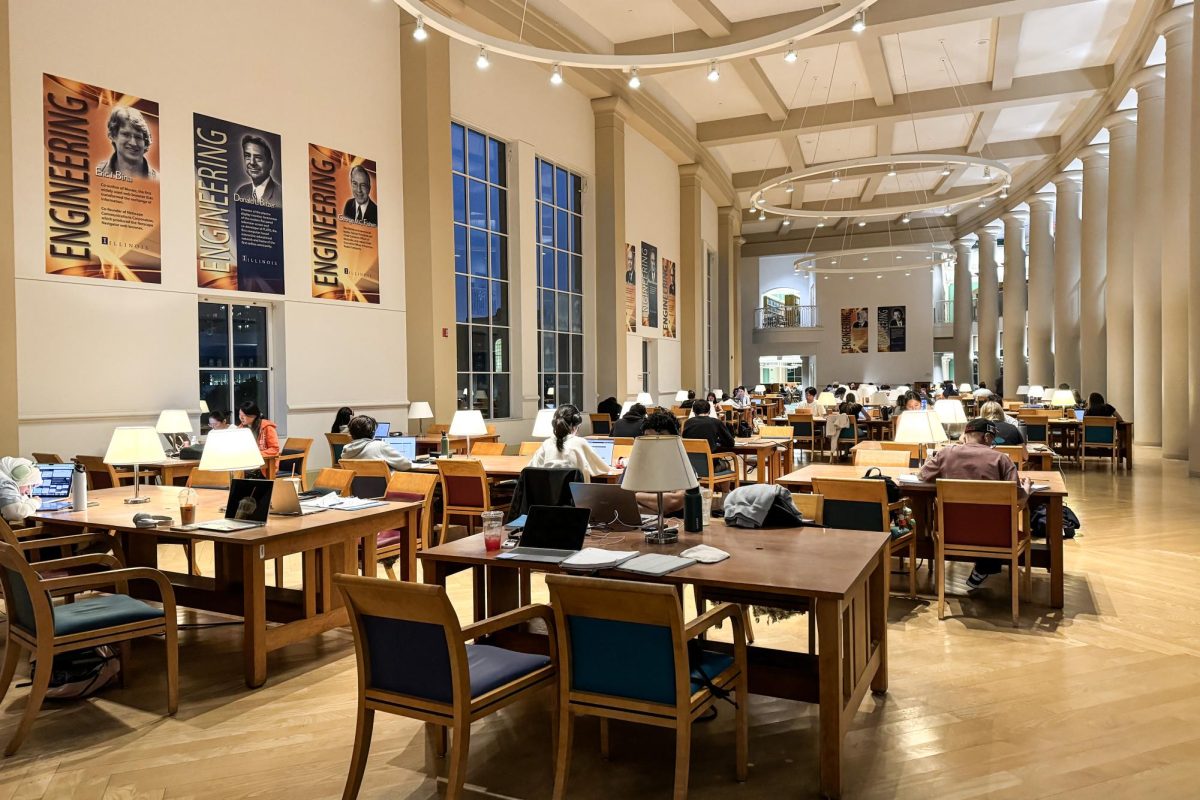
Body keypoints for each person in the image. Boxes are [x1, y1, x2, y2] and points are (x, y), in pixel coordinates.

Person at [918, 418, 1034, 589]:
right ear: (987, 437)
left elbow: (922, 475)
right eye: (993, 439)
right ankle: (983, 569)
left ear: (965, 435)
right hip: (994, 537)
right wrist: (1027, 489)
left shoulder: (946, 453)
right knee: (992, 519)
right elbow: (1017, 498)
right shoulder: (1001, 459)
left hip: (951, 532)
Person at [630, 411, 689, 515]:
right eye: (648, 438)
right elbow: (623, 501)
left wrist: (636, 496)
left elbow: (674, 501)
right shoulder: (637, 464)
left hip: (674, 526)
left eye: (658, 437)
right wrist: (657, 507)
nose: (652, 444)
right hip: (640, 526)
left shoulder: (681, 465)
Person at [528, 405, 609, 478]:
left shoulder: (546, 444)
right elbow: (602, 468)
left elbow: (530, 469)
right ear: (575, 426)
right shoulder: (580, 443)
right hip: (576, 493)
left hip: (548, 494)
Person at [96, 107, 157, 180]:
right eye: (126, 134)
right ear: (112, 135)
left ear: (145, 143)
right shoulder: (96, 172)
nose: (133, 143)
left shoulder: (158, 180)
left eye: (138, 137)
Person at [340, 415, 412, 471]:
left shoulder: (346, 452)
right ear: (373, 432)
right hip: (387, 489)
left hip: (358, 490)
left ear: (351, 433)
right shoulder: (379, 446)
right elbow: (406, 465)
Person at [235, 135, 281, 205]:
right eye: (247, 156)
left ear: (270, 164)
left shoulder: (281, 194)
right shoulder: (241, 192)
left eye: (258, 158)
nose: (252, 162)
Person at [0, 457, 42, 524]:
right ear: (18, 476)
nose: (27, 492)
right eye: (29, 486)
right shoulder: (5, 483)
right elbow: (15, 514)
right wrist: (34, 502)